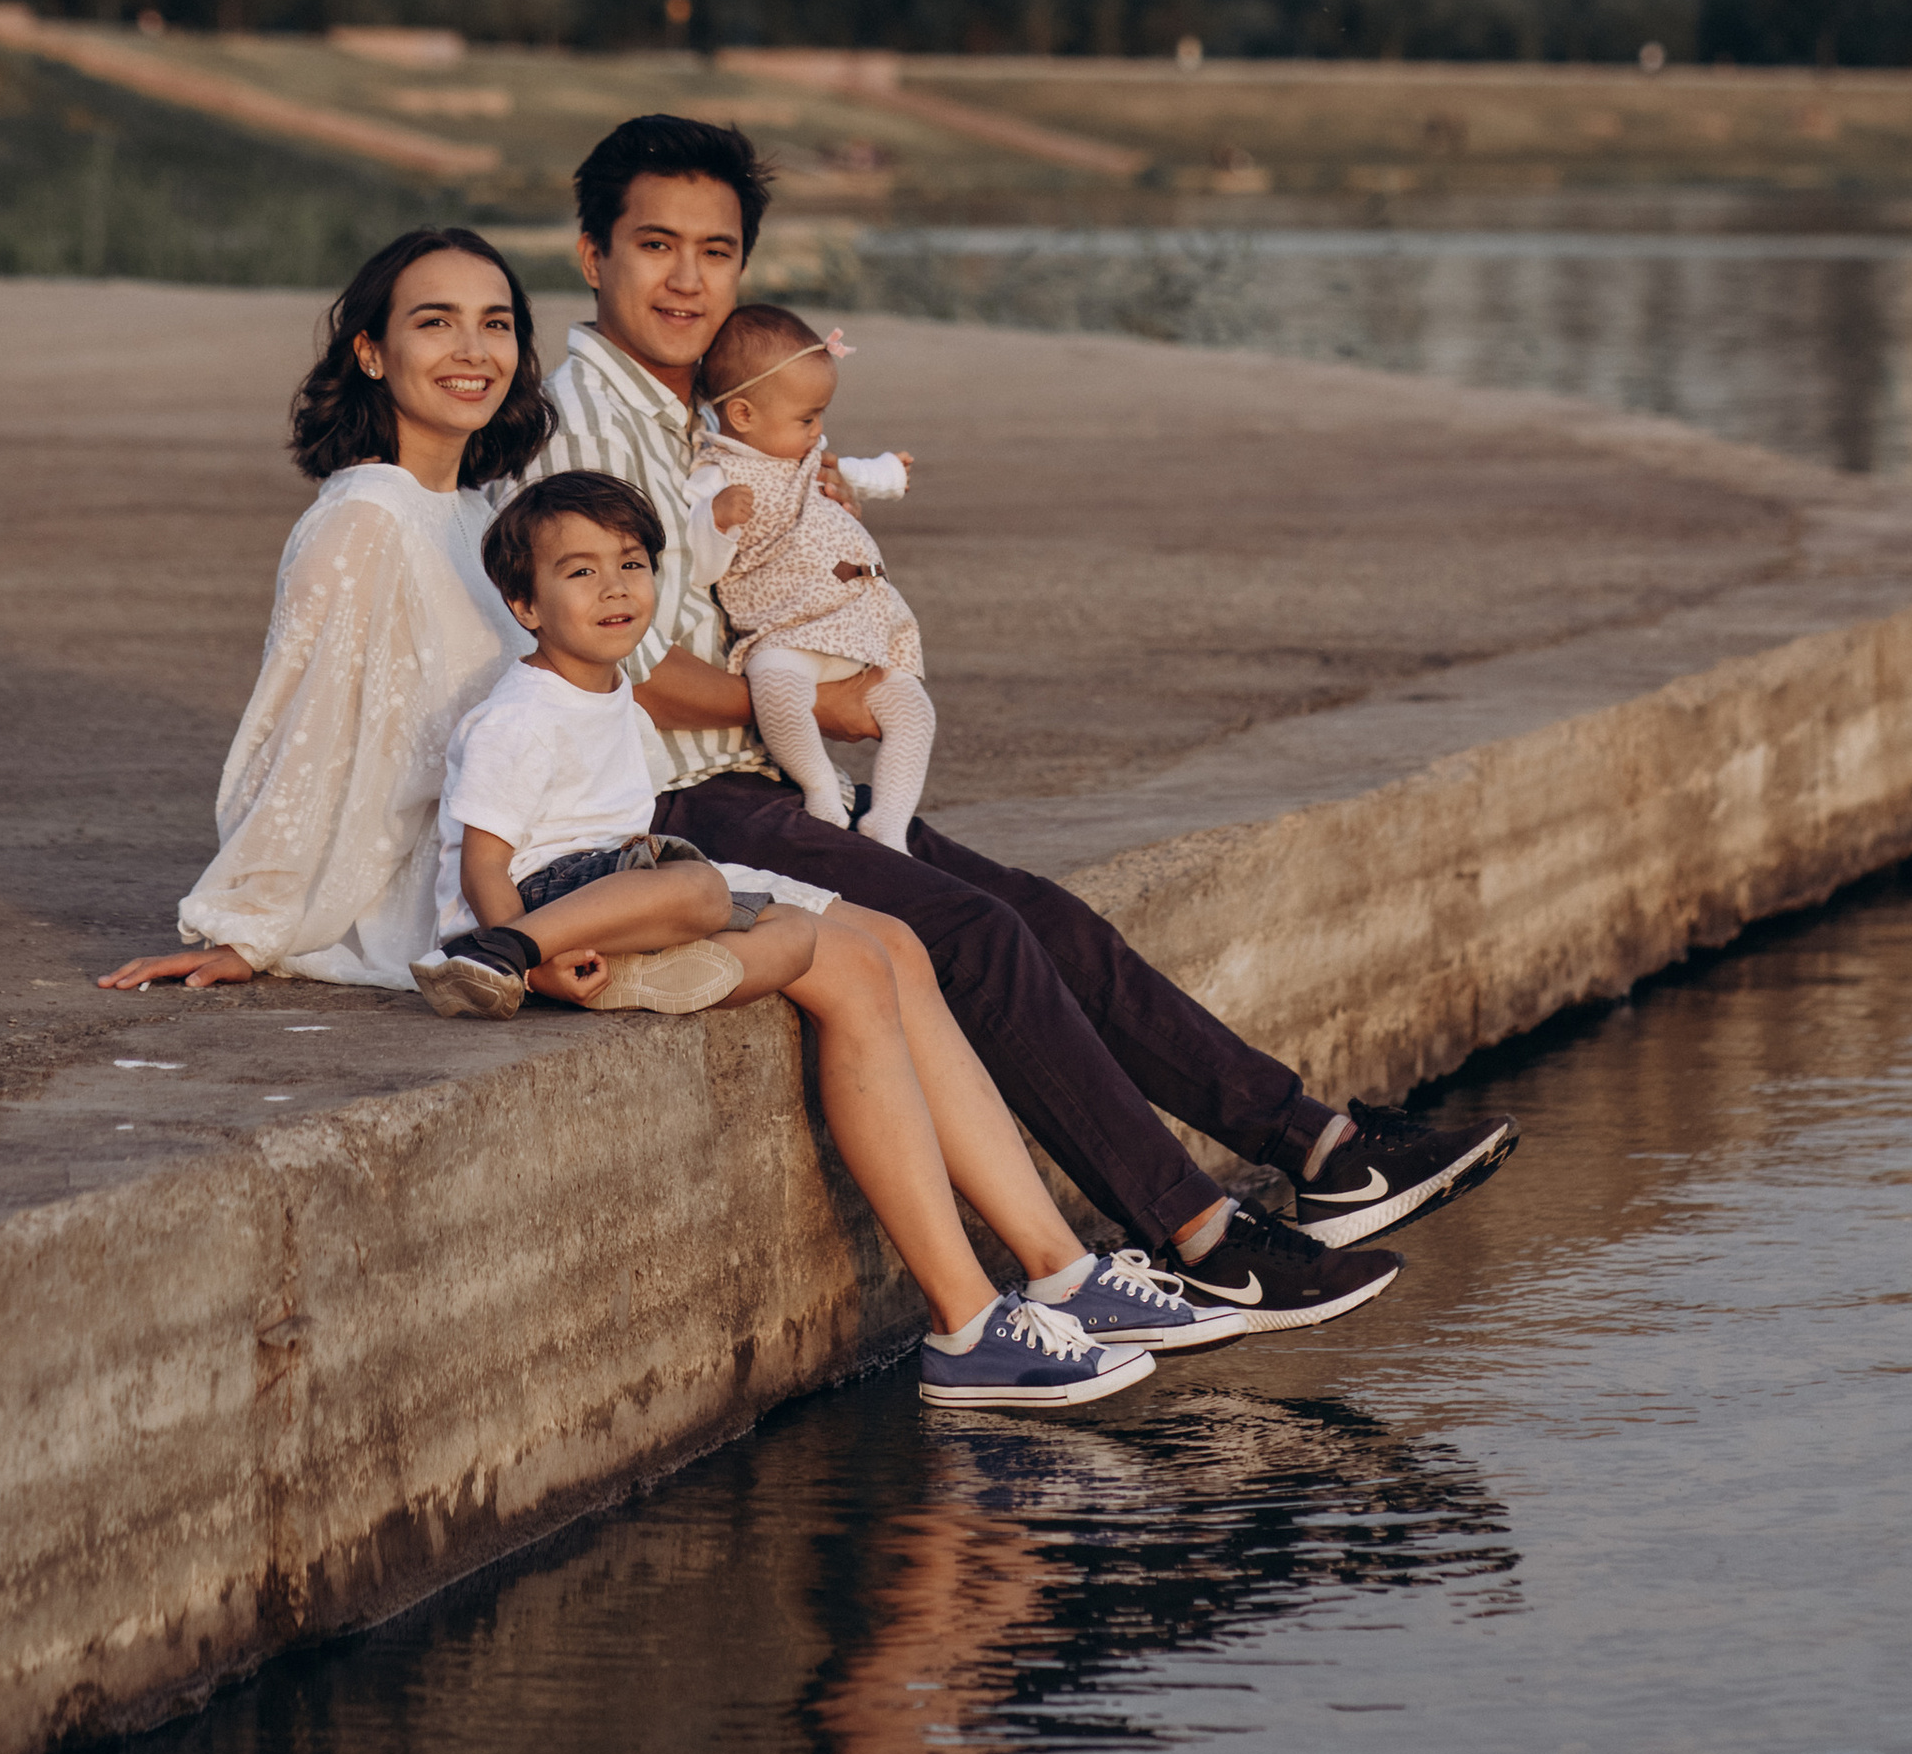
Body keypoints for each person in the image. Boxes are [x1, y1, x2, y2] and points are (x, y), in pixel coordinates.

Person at [94, 249, 1235, 1408]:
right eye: (435, 323)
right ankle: (967, 1321)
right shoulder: (362, 517)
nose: (473, 349)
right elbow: (301, 732)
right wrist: (251, 923)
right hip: (494, 887)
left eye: (495, 323)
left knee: (893, 943)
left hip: (581, 852)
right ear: (371, 351)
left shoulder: (479, 507)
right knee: (852, 961)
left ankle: (1060, 1272)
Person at [497, 115, 1520, 1331]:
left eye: (714, 252)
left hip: (755, 774)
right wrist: (824, 702)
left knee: (1044, 916)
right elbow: (626, 661)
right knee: (978, 936)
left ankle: (1323, 1151)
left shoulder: (704, 410)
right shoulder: (582, 426)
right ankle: (1200, 1237)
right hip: (678, 800)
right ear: (592, 255)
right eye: (655, 245)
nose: (685, 279)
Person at [688, 303, 936, 849]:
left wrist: (888, 473)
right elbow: (699, 564)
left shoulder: (804, 454)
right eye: (807, 419)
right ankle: (820, 785)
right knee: (775, 687)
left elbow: (851, 473)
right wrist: (717, 522)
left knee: (913, 709)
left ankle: (889, 821)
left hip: (857, 624)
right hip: (786, 631)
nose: (818, 431)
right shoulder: (717, 475)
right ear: (743, 414)